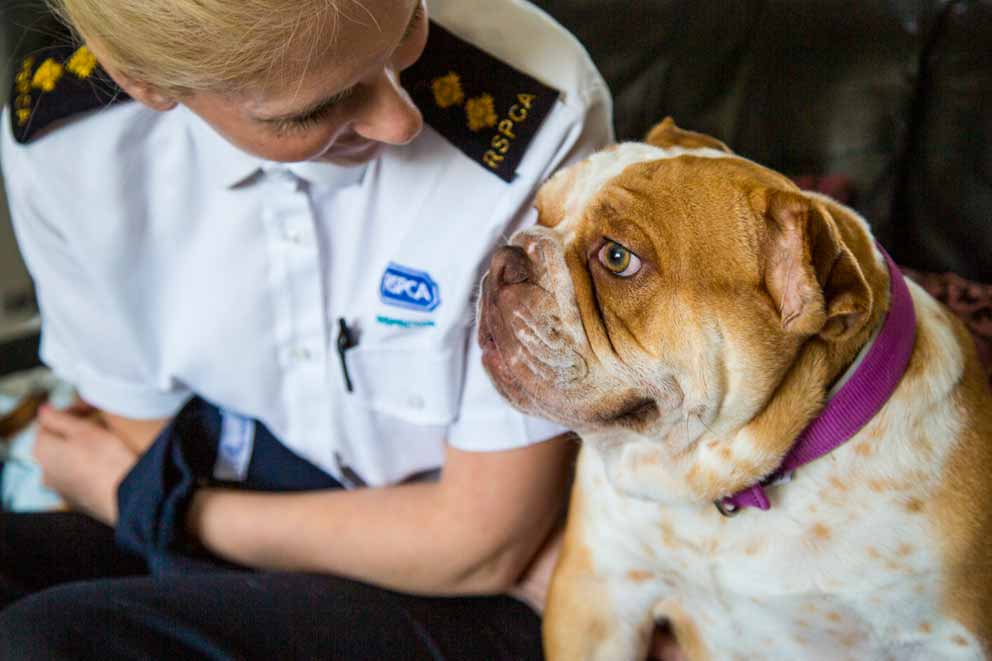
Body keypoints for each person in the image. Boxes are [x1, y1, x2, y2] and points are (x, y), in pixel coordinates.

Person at [0, 0, 618, 658]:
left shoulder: (534, 105)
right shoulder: (69, 134)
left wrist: (151, 504)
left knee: (46, 642)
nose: (400, 121)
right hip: (279, 500)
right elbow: (144, 430)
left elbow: (484, 543)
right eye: (312, 110)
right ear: (143, 81)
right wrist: (158, 497)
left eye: (407, 27)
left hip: (455, 587)